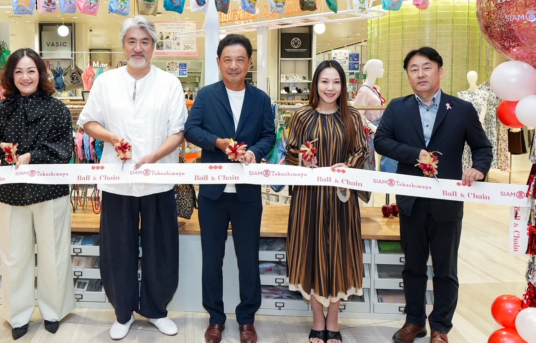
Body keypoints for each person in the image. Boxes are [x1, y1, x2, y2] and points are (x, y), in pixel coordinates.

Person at [77, 16, 187, 340]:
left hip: (158, 179)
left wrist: (154, 156)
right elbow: (88, 122)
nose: (138, 48)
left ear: (154, 46)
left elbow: (178, 131)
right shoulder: (106, 82)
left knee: (160, 248)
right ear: (123, 45)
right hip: (118, 179)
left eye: (145, 42)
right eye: (132, 41)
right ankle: (122, 312)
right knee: (118, 249)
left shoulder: (169, 84)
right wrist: (111, 137)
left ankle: (156, 310)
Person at [374, 47, 493, 343]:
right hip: (411, 200)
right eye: (413, 69)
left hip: (447, 201)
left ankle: (441, 327)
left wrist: (479, 168)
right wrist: (415, 154)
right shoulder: (397, 108)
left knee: (445, 268)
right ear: (408, 76)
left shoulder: (462, 109)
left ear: (440, 71)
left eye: (426, 67)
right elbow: (381, 141)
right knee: (413, 265)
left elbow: (482, 147)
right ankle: (414, 321)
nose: (420, 74)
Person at [0, 48, 75, 340]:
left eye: (31, 71)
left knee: (54, 254)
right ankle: (17, 315)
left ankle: (54, 311)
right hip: (11, 194)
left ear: (41, 73)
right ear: (10, 76)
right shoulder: (0, 110)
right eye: (18, 71)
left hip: (51, 191)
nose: (25, 77)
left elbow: (65, 148)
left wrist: (33, 156)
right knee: (14, 256)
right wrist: (3, 148)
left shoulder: (58, 109)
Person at [184, 34, 276, 343]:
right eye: (228, 60)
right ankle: (215, 318)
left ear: (249, 62)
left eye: (240, 59)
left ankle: (247, 319)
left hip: (247, 193)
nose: (234, 65)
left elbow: (269, 136)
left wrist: (254, 153)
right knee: (212, 259)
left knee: (248, 258)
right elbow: (191, 130)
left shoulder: (261, 99)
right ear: (218, 62)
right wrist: (218, 143)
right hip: (213, 193)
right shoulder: (206, 95)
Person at [284, 60, 369, 343]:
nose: (330, 88)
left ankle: (333, 320)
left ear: (343, 86)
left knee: (339, 255)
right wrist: (303, 159)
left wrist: (348, 166)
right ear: (315, 84)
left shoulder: (352, 116)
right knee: (310, 253)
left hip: (342, 199)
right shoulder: (301, 116)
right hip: (309, 199)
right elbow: (290, 151)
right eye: (324, 81)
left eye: (336, 82)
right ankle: (317, 319)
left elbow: (361, 151)